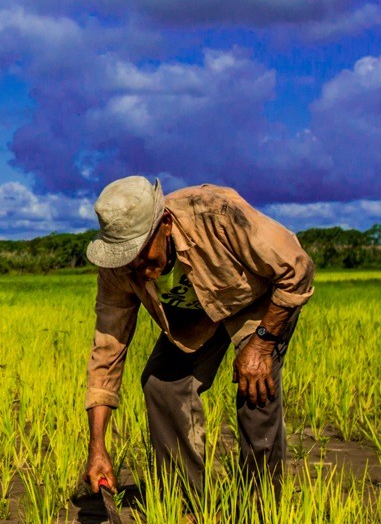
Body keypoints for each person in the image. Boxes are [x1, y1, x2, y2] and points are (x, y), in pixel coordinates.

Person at [82, 175, 313, 496]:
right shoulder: (119, 268)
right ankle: (188, 501)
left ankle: (262, 508)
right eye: (129, 263)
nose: (141, 272)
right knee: (161, 385)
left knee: (256, 394)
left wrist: (260, 345)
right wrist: (97, 447)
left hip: (257, 301)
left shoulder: (216, 215)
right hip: (195, 313)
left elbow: (297, 269)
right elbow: (107, 349)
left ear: (165, 224)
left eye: (145, 258)